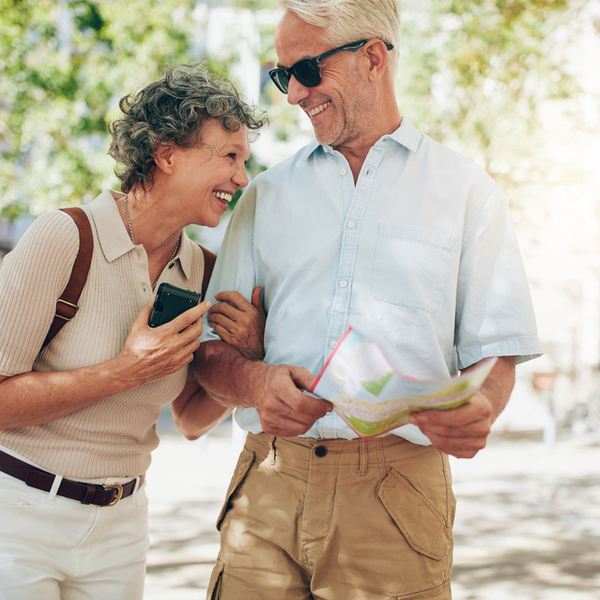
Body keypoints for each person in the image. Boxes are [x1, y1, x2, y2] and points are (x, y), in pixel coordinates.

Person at [195, 1, 544, 599]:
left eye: (303, 71)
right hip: (269, 484)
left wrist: (480, 407)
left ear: (373, 59)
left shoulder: (467, 193)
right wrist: (254, 384)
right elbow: (207, 355)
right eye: (282, 77)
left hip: (396, 496)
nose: (293, 95)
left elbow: (498, 354)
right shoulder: (264, 197)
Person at [0, 64, 267, 600]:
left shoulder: (204, 273)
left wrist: (251, 356)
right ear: (166, 153)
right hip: (18, 518)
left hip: (122, 527)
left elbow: (191, 420)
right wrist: (125, 371)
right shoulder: (65, 237)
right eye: (229, 157)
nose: (242, 179)